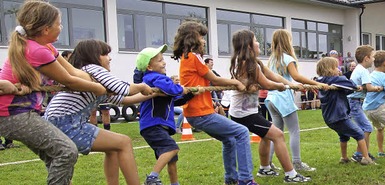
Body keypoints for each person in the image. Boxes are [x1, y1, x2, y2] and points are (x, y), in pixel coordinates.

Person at [0, 1, 108, 184]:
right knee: (66, 151)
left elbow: (74, 72)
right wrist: (99, 88)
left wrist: (99, 79)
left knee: (54, 156)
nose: (61, 27)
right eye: (59, 24)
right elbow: (68, 80)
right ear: (45, 29)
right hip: (12, 115)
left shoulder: (46, 47)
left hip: (23, 113)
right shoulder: (36, 50)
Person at [44, 40, 154, 185]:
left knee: (114, 148)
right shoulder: (92, 68)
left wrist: (155, 93)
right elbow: (123, 89)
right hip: (65, 121)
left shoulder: (90, 75)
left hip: (56, 121)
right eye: (105, 54)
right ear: (93, 56)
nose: (110, 58)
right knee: (124, 142)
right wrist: (141, 86)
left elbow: (124, 99)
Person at [173, 21, 256, 185]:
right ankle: (245, 179)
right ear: (192, 38)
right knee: (242, 132)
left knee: (229, 140)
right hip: (201, 113)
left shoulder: (186, 58)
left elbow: (208, 80)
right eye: (201, 37)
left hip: (197, 113)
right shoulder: (193, 57)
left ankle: (231, 179)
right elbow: (214, 78)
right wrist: (237, 83)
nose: (203, 41)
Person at [228, 29, 311, 183]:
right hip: (244, 114)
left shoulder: (255, 63)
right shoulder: (248, 64)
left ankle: (265, 169)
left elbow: (275, 76)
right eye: (255, 40)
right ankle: (291, 175)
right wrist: (281, 87)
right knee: (278, 135)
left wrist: (290, 84)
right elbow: (267, 83)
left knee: (266, 137)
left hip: (247, 111)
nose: (258, 42)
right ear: (248, 46)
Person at [136, 44, 204, 185]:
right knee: (172, 148)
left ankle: (174, 183)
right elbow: (172, 89)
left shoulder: (158, 81)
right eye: (160, 60)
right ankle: (153, 177)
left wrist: (190, 93)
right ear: (149, 67)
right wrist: (181, 88)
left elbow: (175, 100)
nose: (164, 62)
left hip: (155, 126)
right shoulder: (154, 78)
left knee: (171, 157)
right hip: (153, 125)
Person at [266, 29, 327, 172]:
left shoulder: (271, 60)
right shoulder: (287, 58)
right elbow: (296, 77)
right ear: (288, 41)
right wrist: (317, 84)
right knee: (294, 131)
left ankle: (267, 163)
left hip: (271, 99)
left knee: (276, 133)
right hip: (282, 99)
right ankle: (297, 162)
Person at [315, 57, 376, 165]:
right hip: (339, 116)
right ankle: (365, 158)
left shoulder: (321, 82)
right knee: (359, 133)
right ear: (330, 69)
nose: (339, 69)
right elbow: (349, 84)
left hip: (329, 118)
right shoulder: (334, 80)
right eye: (336, 67)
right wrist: (356, 87)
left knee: (344, 135)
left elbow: (342, 91)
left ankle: (344, 158)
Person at [347, 45, 383, 162]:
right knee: (367, 127)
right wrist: (377, 88)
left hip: (354, 102)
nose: (374, 59)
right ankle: (362, 154)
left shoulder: (358, 69)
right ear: (366, 58)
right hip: (354, 102)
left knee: (363, 128)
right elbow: (368, 87)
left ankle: (361, 153)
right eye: (372, 57)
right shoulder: (364, 71)